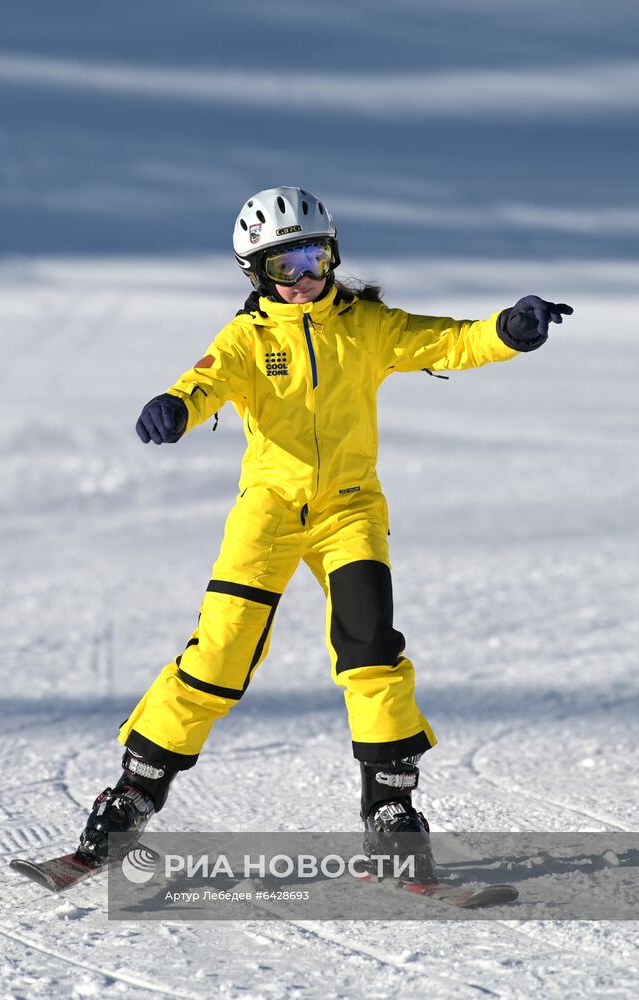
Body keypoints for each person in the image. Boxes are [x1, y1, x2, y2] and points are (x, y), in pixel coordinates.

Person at [77, 186, 573, 877]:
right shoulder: (247, 339)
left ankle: (390, 809)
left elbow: (450, 340)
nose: (307, 280)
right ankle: (135, 790)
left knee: (370, 647)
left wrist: (510, 330)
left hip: (349, 512)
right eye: (287, 267)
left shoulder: (365, 327)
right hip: (269, 514)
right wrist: (175, 407)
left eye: (316, 259)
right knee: (220, 655)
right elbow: (206, 383)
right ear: (257, 275)